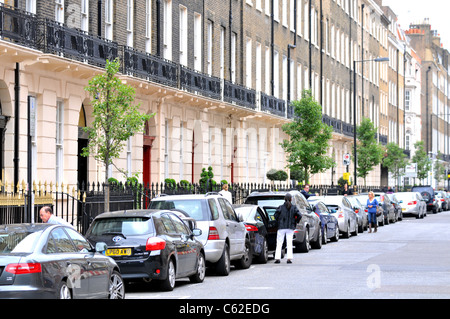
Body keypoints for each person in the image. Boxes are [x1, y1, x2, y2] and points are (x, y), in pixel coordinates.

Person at [274, 193, 302, 264]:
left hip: (281, 227)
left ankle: (277, 258)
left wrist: (279, 221)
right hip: (290, 227)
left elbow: (275, 215)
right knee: (289, 243)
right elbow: (299, 215)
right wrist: (295, 221)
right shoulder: (294, 207)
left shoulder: (280, 207)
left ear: (284, 199)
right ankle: (289, 259)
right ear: (291, 199)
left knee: (279, 243)